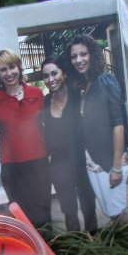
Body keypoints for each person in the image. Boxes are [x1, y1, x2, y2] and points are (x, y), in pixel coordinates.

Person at [68, 34, 128, 220]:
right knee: (111, 213)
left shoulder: (105, 80)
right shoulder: (86, 85)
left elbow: (118, 124)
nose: (79, 60)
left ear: (93, 54)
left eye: (83, 54)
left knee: (119, 214)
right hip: (95, 163)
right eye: (74, 56)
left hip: (110, 162)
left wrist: (117, 166)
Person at [0, 49, 51, 228]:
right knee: (21, 216)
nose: (9, 73)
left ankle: (51, 250)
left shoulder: (37, 94)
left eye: (12, 67)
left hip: (39, 163)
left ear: (19, 67)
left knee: (44, 213)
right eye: (3, 70)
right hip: (12, 167)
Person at [40, 57, 97, 232]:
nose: (51, 79)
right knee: (69, 213)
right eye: (46, 76)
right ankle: (78, 252)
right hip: (58, 165)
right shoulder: (45, 102)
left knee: (89, 209)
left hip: (82, 162)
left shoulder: (78, 95)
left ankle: (96, 247)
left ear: (63, 73)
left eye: (54, 73)